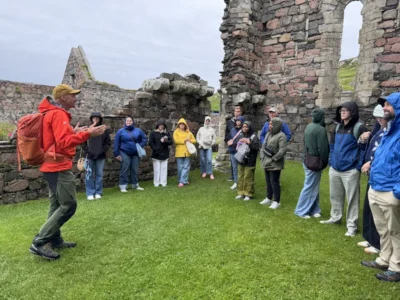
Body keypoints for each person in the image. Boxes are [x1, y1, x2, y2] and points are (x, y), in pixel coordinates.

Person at [29, 84, 107, 260]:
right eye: (73, 95)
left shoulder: (49, 112)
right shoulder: (58, 114)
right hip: (57, 167)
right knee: (69, 205)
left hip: (50, 165)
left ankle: (54, 239)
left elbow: (57, 138)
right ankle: (40, 242)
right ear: (63, 97)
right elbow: (63, 143)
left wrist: (74, 131)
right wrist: (88, 134)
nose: (76, 98)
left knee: (56, 204)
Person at [361, 93, 400, 282]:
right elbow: (381, 156)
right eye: (384, 105)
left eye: (389, 105)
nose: (385, 108)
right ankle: (384, 259)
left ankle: (396, 267)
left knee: (396, 231)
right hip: (376, 187)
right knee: (383, 229)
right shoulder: (387, 132)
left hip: (391, 191)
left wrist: (397, 192)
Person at [320, 101, 370, 237]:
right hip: (335, 168)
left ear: (352, 112)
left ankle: (352, 226)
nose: (342, 112)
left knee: (352, 199)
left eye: (345, 110)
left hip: (350, 170)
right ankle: (335, 217)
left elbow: (365, 148)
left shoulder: (359, 128)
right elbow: (332, 145)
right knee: (335, 195)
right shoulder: (337, 128)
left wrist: (358, 167)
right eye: (341, 110)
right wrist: (331, 161)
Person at [358, 105, 387, 254]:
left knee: (379, 211)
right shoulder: (379, 129)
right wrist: (363, 139)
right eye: (377, 118)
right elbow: (370, 147)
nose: (379, 120)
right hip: (373, 175)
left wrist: (371, 162)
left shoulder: (390, 132)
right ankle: (370, 238)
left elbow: (383, 153)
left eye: (381, 117)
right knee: (369, 207)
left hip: (382, 177)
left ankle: (377, 243)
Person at [294, 108, 329, 218]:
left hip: (307, 159)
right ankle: (301, 210)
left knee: (314, 185)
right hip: (314, 161)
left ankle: (314, 209)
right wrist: (324, 161)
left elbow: (305, 143)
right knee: (309, 186)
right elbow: (323, 149)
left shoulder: (309, 126)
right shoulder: (320, 129)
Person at [113, 116, 148, 192]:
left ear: (133, 122)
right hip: (124, 152)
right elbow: (116, 143)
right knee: (125, 168)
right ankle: (123, 185)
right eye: (127, 121)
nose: (129, 122)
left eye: (130, 121)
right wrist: (116, 153)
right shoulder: (120, 131)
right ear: (125, 122)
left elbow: (144, 139)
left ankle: (135, 185)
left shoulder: (138, 130)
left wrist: (140, 145)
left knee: (134, 169)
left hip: (135, 153)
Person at [82, 112, 111, 200]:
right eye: (94, 118)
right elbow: (82, 141)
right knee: (89, 174)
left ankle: (98, 192)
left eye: (97, 118)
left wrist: (102, 150)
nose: (95, 119)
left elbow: (108, 142)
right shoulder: (88, 129)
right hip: (90, 155)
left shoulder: (104, 129)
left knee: (99, 175)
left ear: (100, 119)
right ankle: (90, 193)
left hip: (100, 155)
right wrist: (88, 151)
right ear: (91, 119)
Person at [259, 117, 287, 209]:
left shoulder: (281, 136)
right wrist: (262, 156)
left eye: (271, 124)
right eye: (269, 124)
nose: (270, 126)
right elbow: (263, 146)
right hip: (266, 161)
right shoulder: (268, 134)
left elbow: (282, 150)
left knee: (274, 182)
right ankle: (268, 197)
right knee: (268, 181)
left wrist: (274, 158)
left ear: (276, 125)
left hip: (275, 163)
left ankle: (276, 201)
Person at [234, 121, 260, 201]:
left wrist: (249, 142)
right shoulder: (241, 134)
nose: (245, 128)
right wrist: (239, 142)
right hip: (242, 159)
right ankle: (241, 192)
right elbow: (236, 145)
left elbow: (256, 147)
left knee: (248, 177)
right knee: (241, 176)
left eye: (246, 127)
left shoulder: (254, 136)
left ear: (250, 127)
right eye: (243, 127)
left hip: (250, 159)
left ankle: (248, 193)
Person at [148, 119, 172, 187]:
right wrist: (155, 148)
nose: (161, 126)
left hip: (164, 153)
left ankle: (163, 182)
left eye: (162, 125)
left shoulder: (167, 133)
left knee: (164, 169)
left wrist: (165, 141)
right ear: (157, 126)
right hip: (156, 153)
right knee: (156, 169)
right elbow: (150, 142)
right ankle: (156, 182)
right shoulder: (153, 133)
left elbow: (171, 142)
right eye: (160, 125)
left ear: (164, 126)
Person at [173, 118, 196, 187]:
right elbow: (176, 140)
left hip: (187, 152)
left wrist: (189, 140)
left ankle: (183, 181)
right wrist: (184, 140)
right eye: (180, 124)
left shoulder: (188, 132)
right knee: (180, 167)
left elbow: (194, 140)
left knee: (186, 167)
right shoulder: (176, 132)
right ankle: (182, 180)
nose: (182, 125)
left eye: (183, 124)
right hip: (179, 152)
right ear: (178, 125)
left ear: (185, 125)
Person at [225, 106, 243, 181]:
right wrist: (227, 141)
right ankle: (233, 176)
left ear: (241, 112)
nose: (237, 113)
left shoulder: (243, 121)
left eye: (238, 111)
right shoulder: (230, 122)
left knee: (240, 162)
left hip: (240, 145)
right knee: (233, 163)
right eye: (235, 111)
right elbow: (227, 133)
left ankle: (240, 178)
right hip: (232, 145)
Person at [227, 116, 245, 190]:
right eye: (236, 121)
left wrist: (233, 143)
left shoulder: (243, 130)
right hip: (233, 151)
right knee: (234, 167)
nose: (237, 122)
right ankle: (236, 182)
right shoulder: (232, 130)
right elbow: (229, 138)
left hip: (240, 151)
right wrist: (229, 141)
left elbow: (243, 141)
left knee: (241, 168)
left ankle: (241, 182)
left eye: (239, 121)